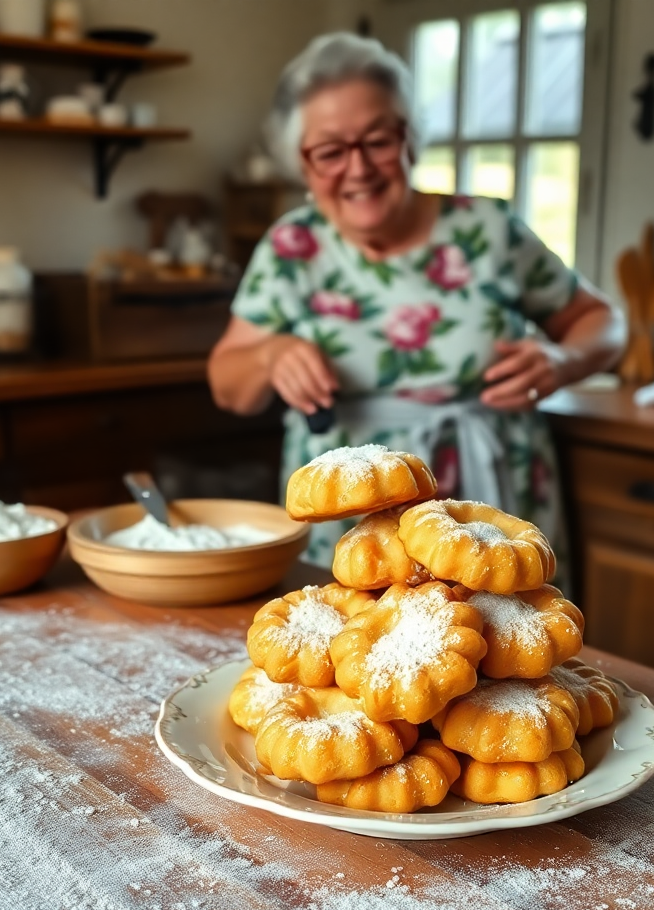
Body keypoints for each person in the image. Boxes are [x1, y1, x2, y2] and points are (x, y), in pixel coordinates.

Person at [208, 32, 625, 574]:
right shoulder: (292, 247)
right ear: (301, 163)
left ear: (410, 141)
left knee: (509, 644)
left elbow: (605, 322)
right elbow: (228, 385)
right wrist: (269, 355)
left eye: (378, 140)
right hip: (355, 520)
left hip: (493, 496)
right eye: (331, 151)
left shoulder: (489, 230)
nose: (358, 169)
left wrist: (563, 360)